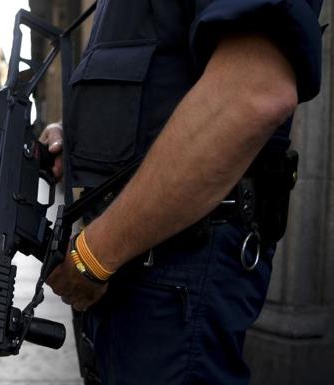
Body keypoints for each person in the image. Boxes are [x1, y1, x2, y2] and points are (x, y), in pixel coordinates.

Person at [41, 1, 324, 384]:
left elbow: (253, 90)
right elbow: (156, 91)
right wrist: (71, 132)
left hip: (177, 273)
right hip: (133, 275)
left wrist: (93, 256)